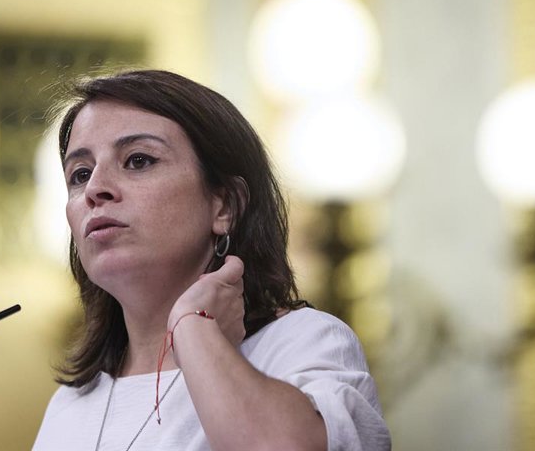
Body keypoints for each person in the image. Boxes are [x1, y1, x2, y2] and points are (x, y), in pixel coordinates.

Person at [31, 69, 390, 451]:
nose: (95, 189)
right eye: (80, 174)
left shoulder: (300, 343)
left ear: (225, 205)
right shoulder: (69, 404)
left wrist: (193, 328)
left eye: (138, 160)